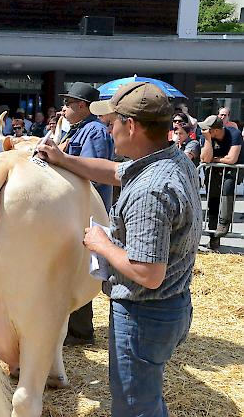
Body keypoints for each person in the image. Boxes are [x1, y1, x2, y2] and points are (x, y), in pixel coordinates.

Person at [37, 81, 201, 417]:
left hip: (144, 312)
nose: (107, 130)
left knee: (134, 406)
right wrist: (63, 158)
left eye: (112, 123)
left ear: (132, 126)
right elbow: (114, 172)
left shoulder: (150, 191)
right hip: (172, 305)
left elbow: (147, 272)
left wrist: (102, 243)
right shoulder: (170, 160)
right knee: (147, 394)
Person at [58, 82, 114, 347]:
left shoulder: (94, 132)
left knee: (82, 267)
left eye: (69, 103)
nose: (64, 108)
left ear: (82, 106)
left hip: (86, 209)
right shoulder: (79, 129)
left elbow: (94, 174)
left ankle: (81, 332)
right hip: (75, 207)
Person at [199, 115, 244, 250]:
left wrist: (216, 159)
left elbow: (232, 159)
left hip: (233, 170)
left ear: (216, 130)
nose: (204, 131)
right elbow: (206, 159)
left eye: (208, 129)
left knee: (228, 186)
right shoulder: (206, 136)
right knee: (213, 200)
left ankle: (224, 223)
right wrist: (207, 140)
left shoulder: (234, 133)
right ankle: (214, 236)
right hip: (214, 171)